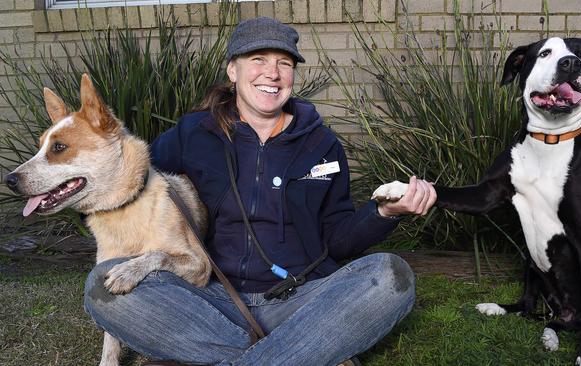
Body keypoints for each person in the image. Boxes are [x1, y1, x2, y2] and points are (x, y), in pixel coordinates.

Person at [84, 17, 437, 366]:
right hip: (211, 299)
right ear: (232, 71)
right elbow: (135, 174)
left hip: (301, 298)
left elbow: (339, 239)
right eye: (258, 61)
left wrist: (385, 213)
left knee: (392, 275)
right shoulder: (194, 133)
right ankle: (306, 350)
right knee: (102, 284)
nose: (272, 73)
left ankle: (234, 353)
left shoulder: (322, 145)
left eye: (284, 63)